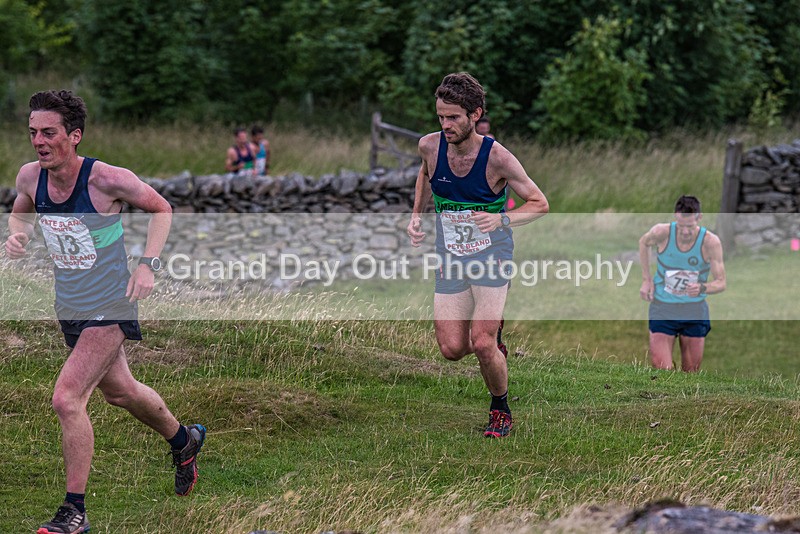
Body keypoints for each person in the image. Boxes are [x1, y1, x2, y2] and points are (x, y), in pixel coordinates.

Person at [4, 90, 205, 534]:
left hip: (112, 302)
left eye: (49, 133)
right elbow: (20, 216)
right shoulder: (30, 177)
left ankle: (74, 512)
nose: (38, 141)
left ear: (74, 135)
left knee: (67, 398)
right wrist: (17, 237)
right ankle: (184, 440)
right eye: (33, 132)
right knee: (121, 391)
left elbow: (161, 208)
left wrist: (148, 265)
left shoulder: (106, 179)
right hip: (70, 304)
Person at [407, 72, 549, 438]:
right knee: (452, 348)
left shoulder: (497, 158)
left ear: (475, 114)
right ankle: (493, 343)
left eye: (454, 117)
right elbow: (425, 173)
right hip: (451, 256)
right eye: (441, 117)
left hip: (492, 254)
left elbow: (540, 203)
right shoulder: (430, 146)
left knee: (482, 342)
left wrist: (502, 218)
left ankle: (500, 409)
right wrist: (416, 215)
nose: (446, 125)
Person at [639, 195, 727, 372]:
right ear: (675, 217)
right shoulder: (661, 232)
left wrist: (702, 288)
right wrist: (646, 280)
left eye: (690, 227)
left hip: (694, 310)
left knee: (690, 373)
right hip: (663, 307)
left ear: (699, 218)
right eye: (681, 226)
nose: (685, 232)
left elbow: (721, 283)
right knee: (661, 370)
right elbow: (644, 242)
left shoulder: (710, 242)